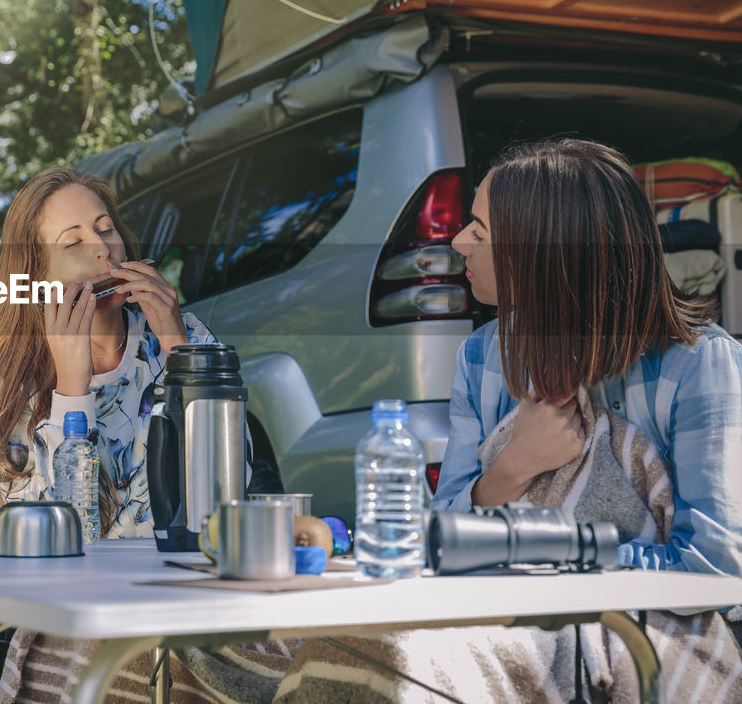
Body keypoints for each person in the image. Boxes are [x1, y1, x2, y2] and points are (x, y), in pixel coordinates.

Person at [274, 138, 741, 702]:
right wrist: (511, 469)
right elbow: (441, 530)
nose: (457, 240)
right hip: (506, 607)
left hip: (647, 633)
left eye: (480, 229)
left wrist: (550, 552)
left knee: (393, 657)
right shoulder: (481, 356)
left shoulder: (697, 364)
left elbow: (716, 571)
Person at [0, 167, 289, 703]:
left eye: (106, 230)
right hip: (80, 607)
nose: (101, 250)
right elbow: (47, 540)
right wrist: (72, 389)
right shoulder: (10, 374)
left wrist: (178, 352)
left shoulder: (189, 336)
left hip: (195, 587)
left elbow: (232, 484)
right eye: (72, 241)